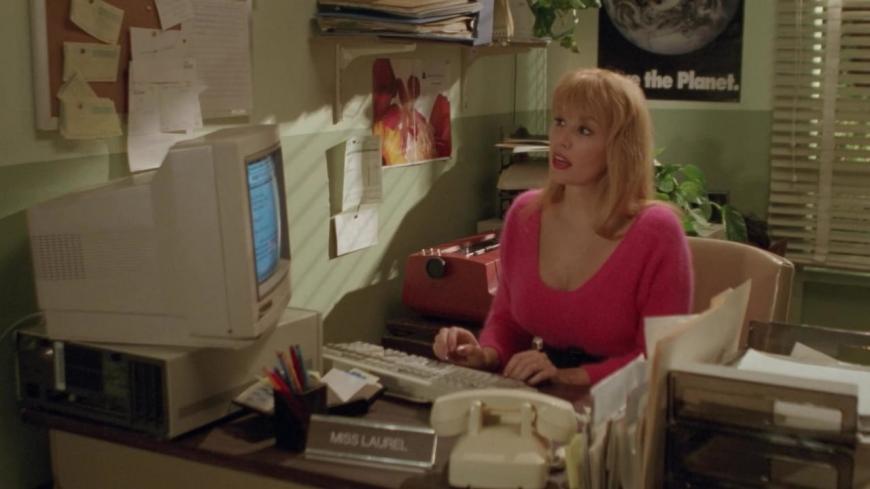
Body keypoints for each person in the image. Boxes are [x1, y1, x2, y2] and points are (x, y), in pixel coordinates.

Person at [432, 68, 693, 386]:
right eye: (559, 122)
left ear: (619, 147)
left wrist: (568, 377)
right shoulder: (526, 214)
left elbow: (658, 356)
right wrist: (485, 354)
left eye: (584, 130)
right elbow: (509, 322)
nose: (561, 140)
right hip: (544, 395)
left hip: (625, 398)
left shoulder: (657, 231)